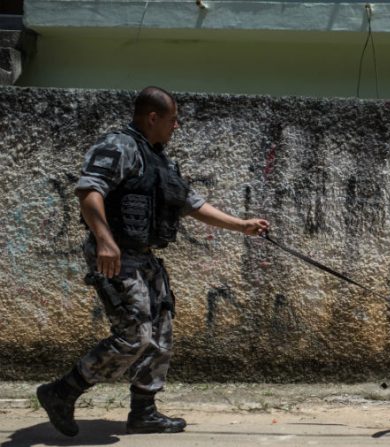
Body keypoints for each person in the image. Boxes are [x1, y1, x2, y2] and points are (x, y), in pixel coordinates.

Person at [36, 86, 270, 436]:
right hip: (116, 255)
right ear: (153, 117)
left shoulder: (158, 159)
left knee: (161, 333)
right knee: (134, 335)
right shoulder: (119, 146)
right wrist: (105, 241)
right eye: (173, 120)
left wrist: (242, 226)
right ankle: (62, 391)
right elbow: (89, 191)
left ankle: (144, 411)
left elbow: (190, 203)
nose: (177, 127)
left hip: (144, 258)